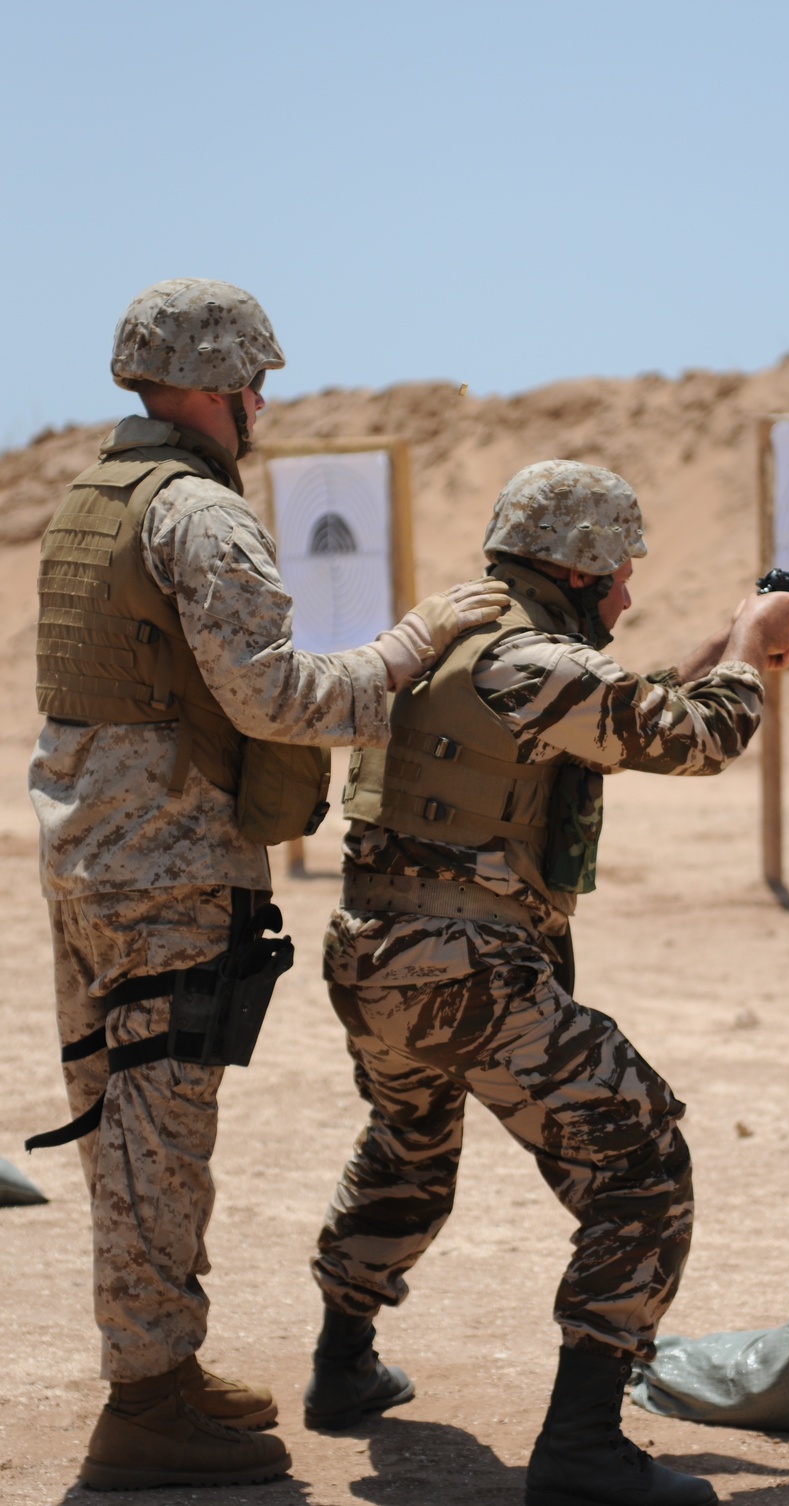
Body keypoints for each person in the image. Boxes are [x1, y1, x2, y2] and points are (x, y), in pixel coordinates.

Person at [27, 277, 508, 1491]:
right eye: (256, 384)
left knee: (118, 1129)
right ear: (220, 384)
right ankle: (146, 1405)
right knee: (158, 1135)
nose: (262, 405)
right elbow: (277, 697)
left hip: (94, 856)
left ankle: (160, 1369)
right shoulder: (198, 511)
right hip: (167, 875)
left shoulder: (92, 498)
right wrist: (416, 641)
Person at [305, 459, 789, 1506]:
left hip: (375, 960)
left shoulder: (461, 641)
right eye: (617, 574)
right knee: (640, 1169)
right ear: (573, 570)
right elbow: (695, 736)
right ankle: (583, 1450)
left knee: (407, 1144)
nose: (625, 596)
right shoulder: (533, 660)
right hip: (465, 969)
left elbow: (612, 709)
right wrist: (755, 655)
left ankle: (341, 1362)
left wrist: (725, 638)